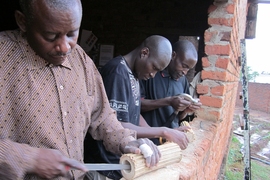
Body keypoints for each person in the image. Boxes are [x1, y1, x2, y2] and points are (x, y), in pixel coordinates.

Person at [0, 0, 161, 179]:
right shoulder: (3, 58)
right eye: (50, 36)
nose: (64, 47)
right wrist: (26, 158)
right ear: (22, 21)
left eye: (71, 34)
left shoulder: (81, 61)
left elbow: (103, 116)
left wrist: (127, 140)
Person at [84, 35, 191, 180]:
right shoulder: (117, 73)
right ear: (144, 53)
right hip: (106, 165)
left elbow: (134, 113)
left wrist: (162, 134)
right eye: (154, 68)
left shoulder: (134, 75)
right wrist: (163, 131)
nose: (153, 75)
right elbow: (116, 124)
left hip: (121, 161)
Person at [140, 40, 202, 144]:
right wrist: (168, 101)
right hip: (148, 141)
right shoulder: (150, 74)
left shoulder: (183, 81)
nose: (184, 72)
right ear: (173, 55)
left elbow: (179, 117)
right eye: (184, 66)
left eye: (189, 69)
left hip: (171, 141)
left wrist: (186, 110)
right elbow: (136, 105)